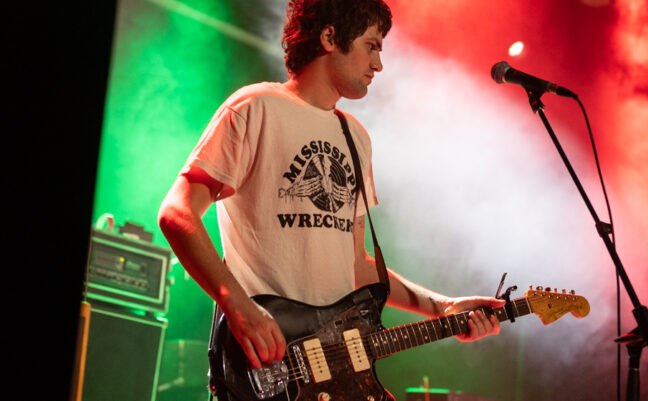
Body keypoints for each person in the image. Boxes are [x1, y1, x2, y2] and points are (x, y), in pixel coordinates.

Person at [158, 0, 504, 375]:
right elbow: (177, 212)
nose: (379, 64)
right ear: (329, 38)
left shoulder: (356, 138)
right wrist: (236, 303)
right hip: (267, 363)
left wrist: (444, 307)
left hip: (333, 369)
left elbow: (357, 265)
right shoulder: (255, 106)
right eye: (371, 46)